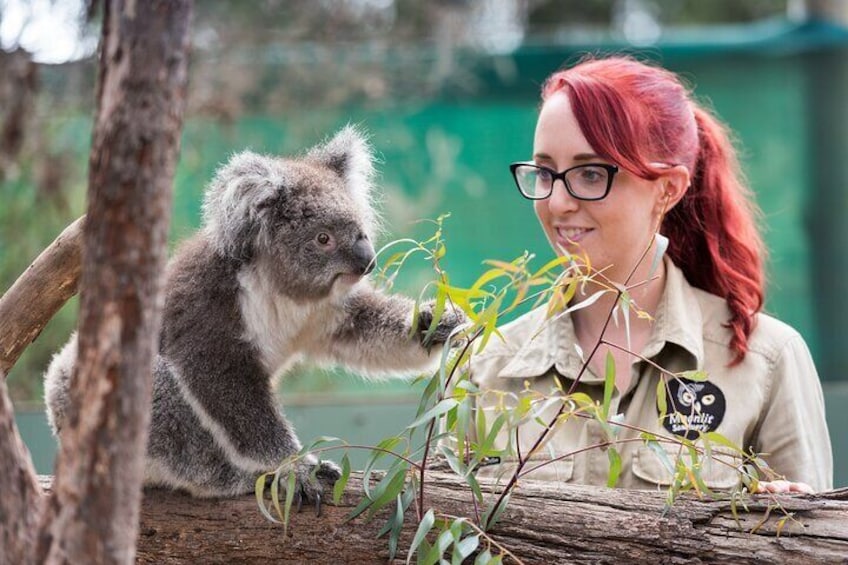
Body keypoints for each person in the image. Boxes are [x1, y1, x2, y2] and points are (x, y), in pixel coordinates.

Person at [469, 55, 832, 493]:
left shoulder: (766, 361)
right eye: (545, 172)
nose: (559, 202)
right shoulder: (485, 367)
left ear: (668, 189)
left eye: (589, 173)